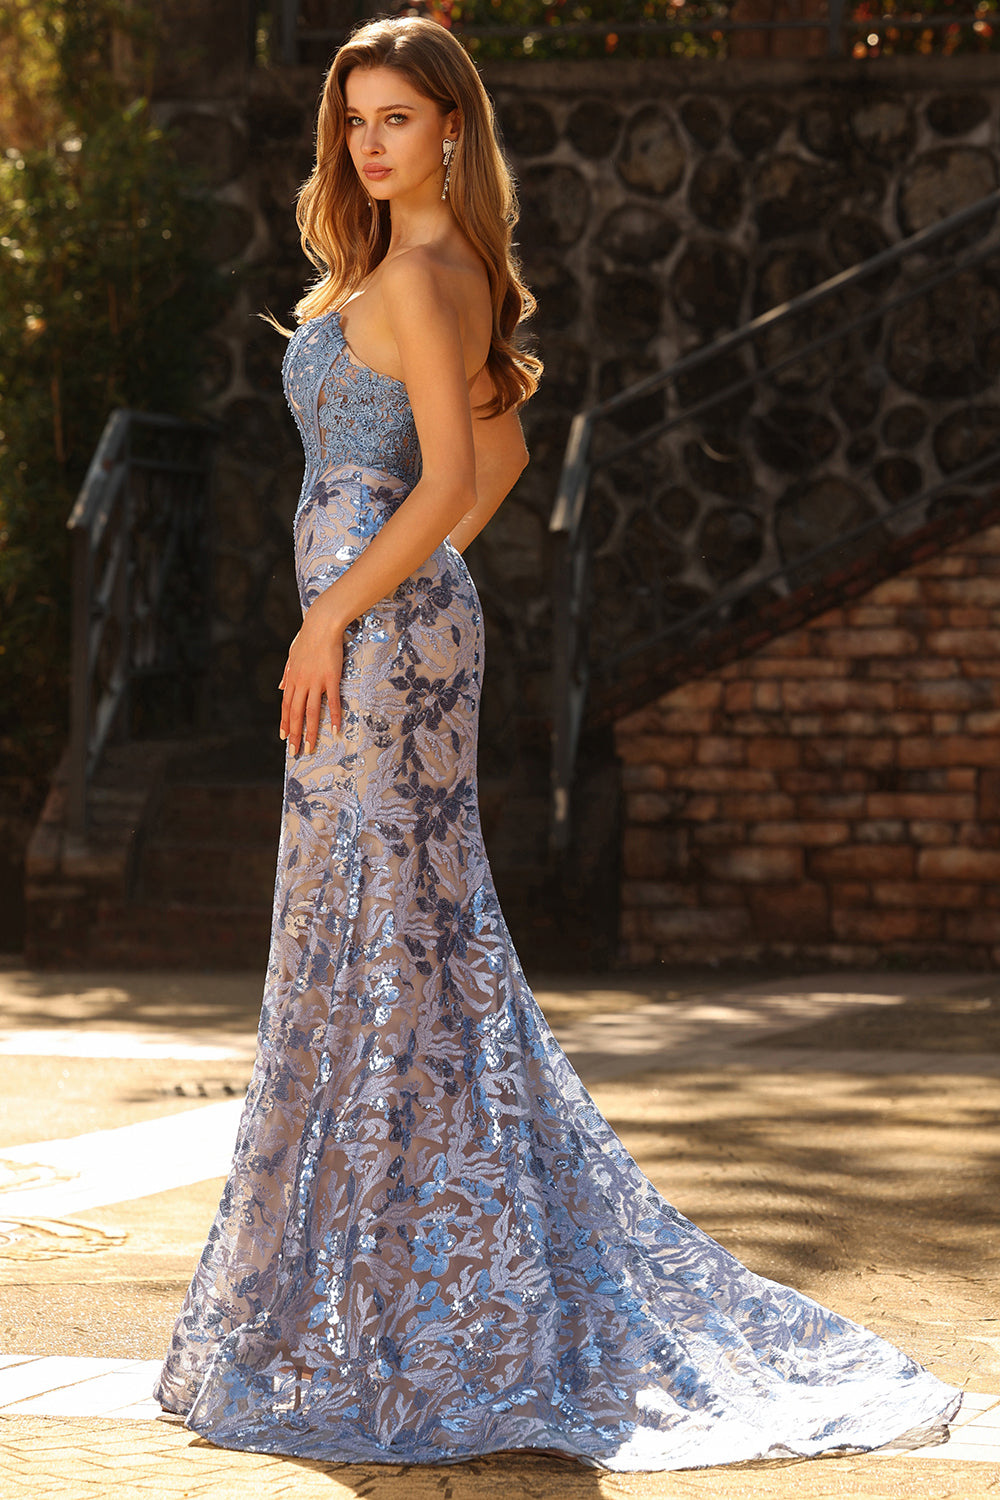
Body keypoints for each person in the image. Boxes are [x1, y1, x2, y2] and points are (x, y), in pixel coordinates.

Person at [154, 16, 961, 1470]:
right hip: (393, 628)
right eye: (356, 120)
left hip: (373, 644)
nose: (371, 143)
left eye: (399, 118)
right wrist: (412, 589)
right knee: (391, 942)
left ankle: (419, 1297)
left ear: (453, 128)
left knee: (389, 944)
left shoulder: (423, 275)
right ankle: (408, 1279)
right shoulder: (422, 268)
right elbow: (504, 456)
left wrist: (342, 611)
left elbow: (452, 477)